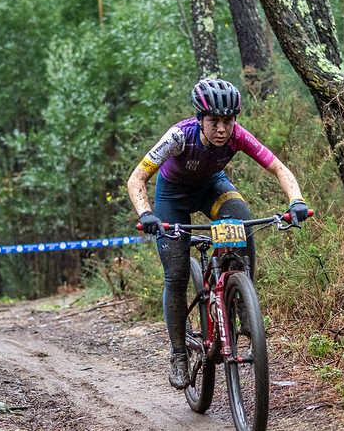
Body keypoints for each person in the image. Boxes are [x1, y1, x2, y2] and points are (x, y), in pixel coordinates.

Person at [127, 78, 309, 389]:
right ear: (200, 119)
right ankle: (179, 354)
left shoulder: (238, 136)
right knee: (177, 273)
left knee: (241, 217)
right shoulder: (178, 138)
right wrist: (147, 214)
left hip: (212, 188)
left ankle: (241, 299)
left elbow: (279, 167)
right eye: (214, 122)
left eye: (228, 121)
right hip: (173, 198)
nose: (222, 129)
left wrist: (297, 200)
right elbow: (136, 179)